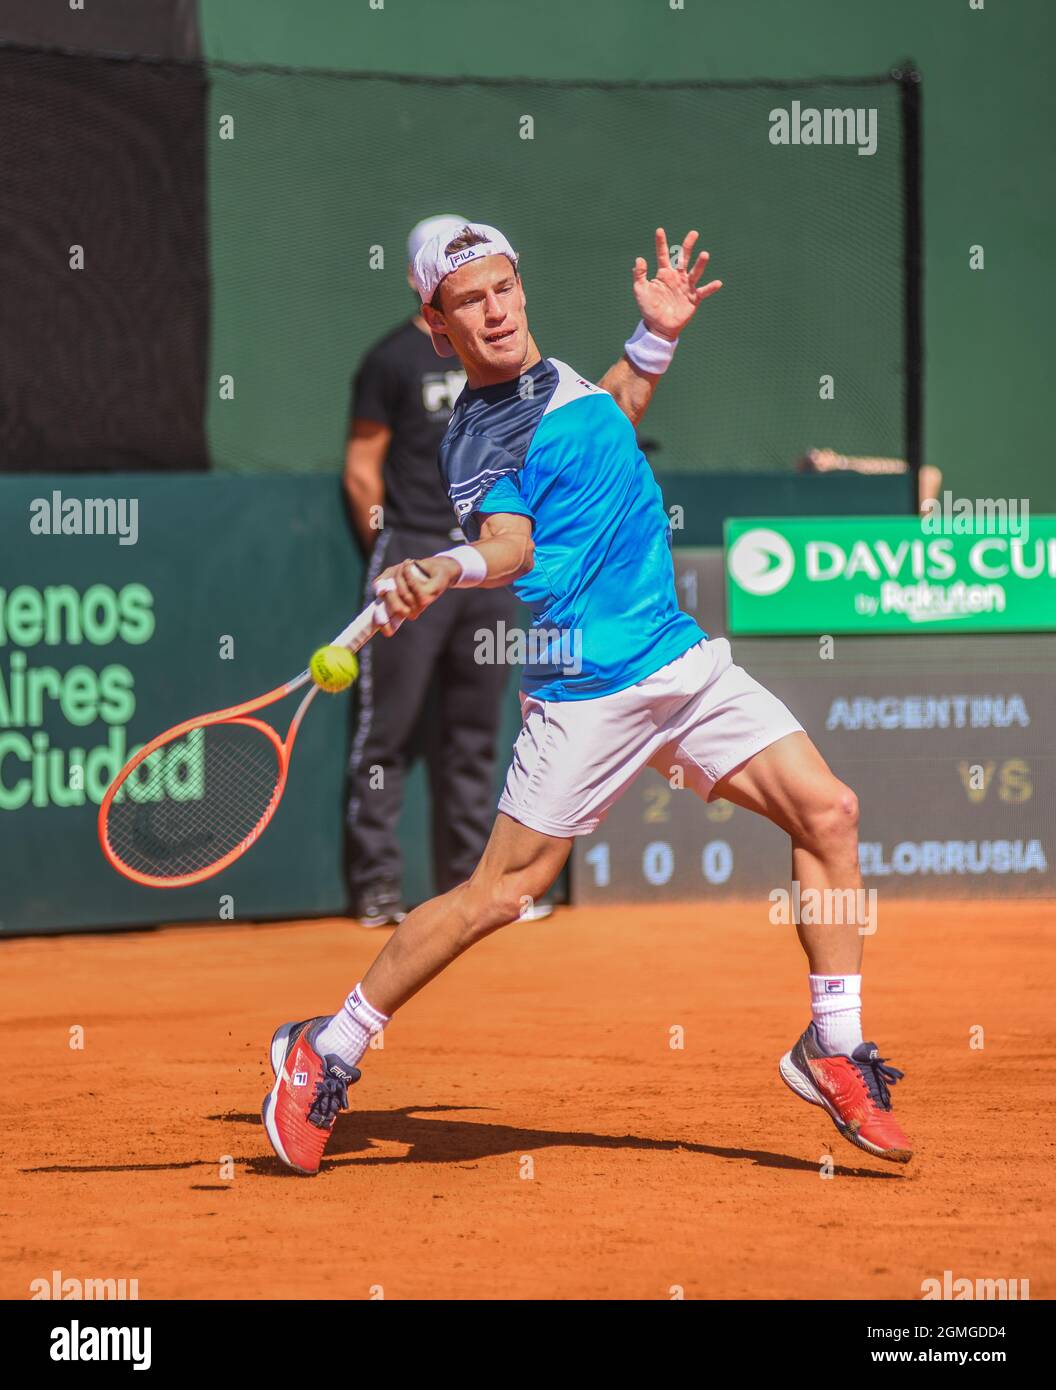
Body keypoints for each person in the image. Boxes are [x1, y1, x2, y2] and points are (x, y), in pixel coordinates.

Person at [263, 221, 912, 1174]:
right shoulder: (481, 433)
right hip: (587, 690)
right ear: (438, 330)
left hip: (678, 661)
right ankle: (331, 1046)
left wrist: (658, 336)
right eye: (467, 302)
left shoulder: (559, 384)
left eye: (502, 288)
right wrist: (443, 565)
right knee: (500, 895)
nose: (493, 310)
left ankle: (834, 1046)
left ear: (520, 286)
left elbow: (611, 408)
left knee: (829, 811)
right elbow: (512, 546)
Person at [342, 215, 519, 926]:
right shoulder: (391, 361)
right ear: (427, 289)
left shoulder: (504, 359)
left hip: (486, 565)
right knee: (386, 733)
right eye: (451, 276)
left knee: (476, 731)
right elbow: (362, 468)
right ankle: (377, 883)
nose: (485, 302)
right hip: (414, 557)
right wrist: (394, 550)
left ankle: (471, 885)